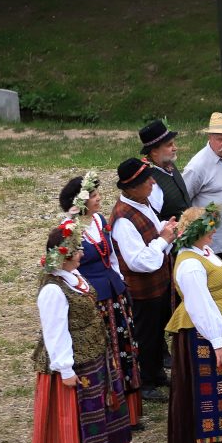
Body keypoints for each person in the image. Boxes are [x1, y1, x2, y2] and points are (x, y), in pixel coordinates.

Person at [27, 220, 131, 443]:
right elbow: (55, 331)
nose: (82, 254)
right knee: (75, 421)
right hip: (72, 364)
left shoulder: (74, 277)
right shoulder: (53, 289)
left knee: (100, 412)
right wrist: (65, 369)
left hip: (94, 354)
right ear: (64, 255)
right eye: (77, 251)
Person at [166, 204, 222, 443]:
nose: (214, 233)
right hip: (203, 333)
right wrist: (216, 342)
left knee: (221, 389)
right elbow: (200, 306)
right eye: (209, 229)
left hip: (221, 326)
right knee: (208, 393)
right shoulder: (190, 264)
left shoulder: (205, 251)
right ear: (197, 232)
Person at [59, 172, 142, 427]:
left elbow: (112, 255)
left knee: (125, 346)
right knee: (107, 350)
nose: (98, 199)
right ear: (81, 200)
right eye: (93, 195)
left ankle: (131, 410)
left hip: (113, 291)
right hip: (94, 297)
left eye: (97, 194)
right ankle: (111, 407)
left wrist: (119, 279)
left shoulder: (99, 220)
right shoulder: (70, 228)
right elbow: (67, 265)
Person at [110, 158, 178, 402]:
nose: (152, 182)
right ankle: (146, 383)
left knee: (158, 331)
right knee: (146, 336)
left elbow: (151, 229)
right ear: (132, 187)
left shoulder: (141, 202)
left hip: (157, 284)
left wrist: (165, 227)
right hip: (141, 289)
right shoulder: (123, 219)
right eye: (147, 180)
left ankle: (157, 373)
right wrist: (164, 240)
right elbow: (139, 261)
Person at [183, 112, 222, 307]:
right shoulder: (197, 166)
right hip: (213, 239)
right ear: (209, 138)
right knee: (216, 287)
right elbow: (184, 198)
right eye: (220, 139)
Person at [141, 119, 191, 221]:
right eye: (169, 145)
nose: (175, 148)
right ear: (154, 151)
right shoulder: (150, 181)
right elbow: (154, 221)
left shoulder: (168, 163)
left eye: (173, 143)